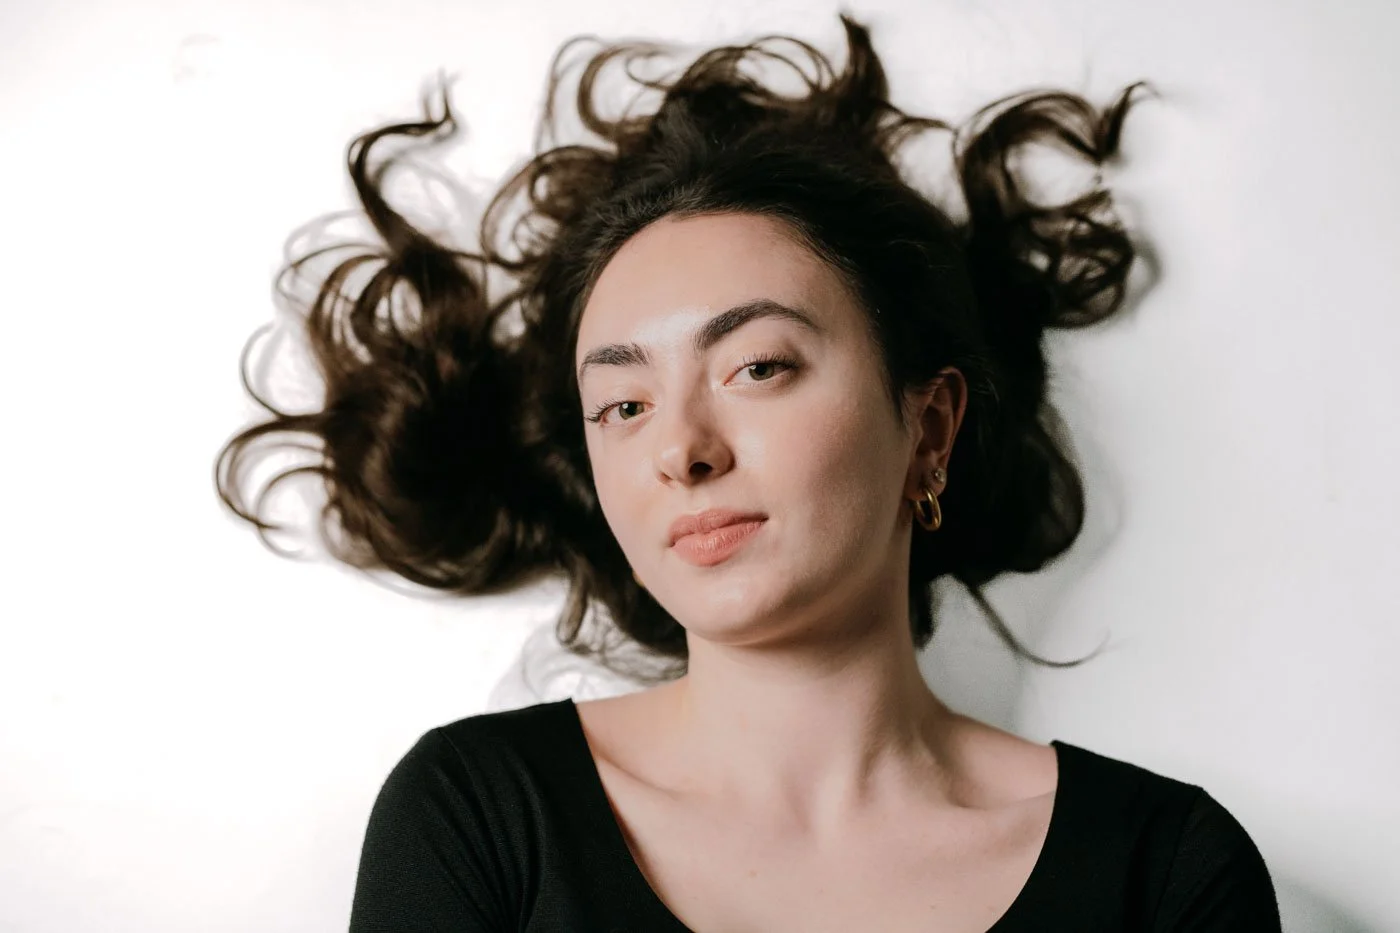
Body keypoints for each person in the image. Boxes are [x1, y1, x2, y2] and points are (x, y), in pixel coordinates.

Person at [213, 13, 1283, 932]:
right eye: (622, 405)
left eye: (757, 366)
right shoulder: (479, 817)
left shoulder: (1164, 871)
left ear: (928, 428)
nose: (681, 450)